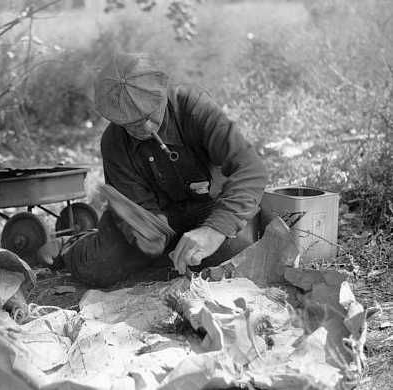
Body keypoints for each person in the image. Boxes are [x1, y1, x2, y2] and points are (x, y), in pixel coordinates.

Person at [40, 52, 268, 287]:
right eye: (133, 124)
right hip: (160, 219)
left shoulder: (194, 108)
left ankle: (175, 253)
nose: (147, 128)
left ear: (161, 94)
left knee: (236, 250)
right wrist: (148, 235)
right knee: (97, 266)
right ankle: (73, 243)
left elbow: (251, 170)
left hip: (210, 207)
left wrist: (214, 230)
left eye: (150, 115)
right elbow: (138, 209)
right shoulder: (114, 142)